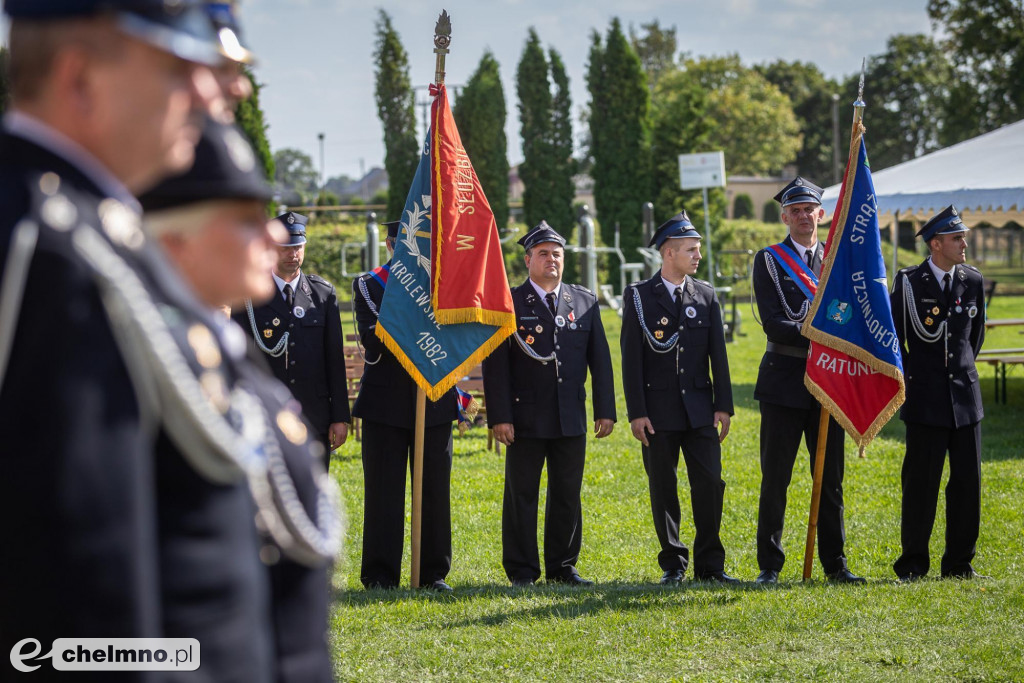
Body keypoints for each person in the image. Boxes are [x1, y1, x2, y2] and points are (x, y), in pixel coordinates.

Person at [0, 0, 234, 672]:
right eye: (175, 69)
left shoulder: (95, 231)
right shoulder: (35, 243)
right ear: (79, 79)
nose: (207, 90)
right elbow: (68, 589)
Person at [139, 117, 342, 683]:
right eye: (246, 221)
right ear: (180, 240)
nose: (275, 241)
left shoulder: (226, 349)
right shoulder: (154, 352)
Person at [482, 221, 616, 587]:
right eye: (543, 254)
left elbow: (600, 360)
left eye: (557, 254)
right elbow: (496, 369)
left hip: (570, 415)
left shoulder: (584, 301)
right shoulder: (509, 302)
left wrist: (606, 409)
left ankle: (563, 567)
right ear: (528, 260)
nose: (551, 260)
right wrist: (500, 417)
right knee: (521, 495)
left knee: (567, 494)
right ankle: (522, 571)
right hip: (524, 418)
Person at [751, 177, 865, 585]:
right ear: (784, 217)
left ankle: (835, 564)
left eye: (809, 210)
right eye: (794, 211)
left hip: (828, 382)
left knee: (830, 478)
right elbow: (774, 323)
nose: (803, 216)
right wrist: (816, 328)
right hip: (784, 381)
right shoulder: (769, 260)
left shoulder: (837, 260)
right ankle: (770, 565)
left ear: (821, 214)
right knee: (776, 477)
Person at [620, 212, 738, 585]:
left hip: (700, 411)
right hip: (658, 412)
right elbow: (631, 360)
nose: (698, 256)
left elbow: (718, 355)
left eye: (698, 250)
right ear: (668, 253)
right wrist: (637, 412)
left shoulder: (705, 294)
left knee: (710, 485)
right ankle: (673, 564)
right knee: (663, 487)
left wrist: (724, 405)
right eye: (691, 250)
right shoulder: (639, 297)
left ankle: (710, 566)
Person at [352, 219, 457, 591]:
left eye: (422, 244)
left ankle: (432, 573)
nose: (415, 251)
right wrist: (406, 302)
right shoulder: (369, 285)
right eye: (406, 243)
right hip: (385, 402)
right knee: (384, 491)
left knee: (433, 492)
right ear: (390, 244)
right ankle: (380, 574)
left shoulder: (443, 285)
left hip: (434, 398)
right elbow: (373, 340)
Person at [890, 205, 987, 582]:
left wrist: (957, 375)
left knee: (967, 484)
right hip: (926, 399)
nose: (964, 243)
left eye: (963, 236)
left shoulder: (972, 280)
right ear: (936, 244)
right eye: (957, 238)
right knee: (920, 484)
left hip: (965, 399)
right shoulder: (909, 283)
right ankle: (913, 564)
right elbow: (896, 340)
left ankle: (960, 564)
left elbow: (973, 340)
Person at [234, 211, 350, 465]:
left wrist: (339, 416)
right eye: (285, 248)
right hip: (266, 413)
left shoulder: (323, 294)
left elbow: (334, 359)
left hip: (313, 414)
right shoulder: (250, 295)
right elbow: (238, 357)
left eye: (297, 247)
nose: (293, 254)